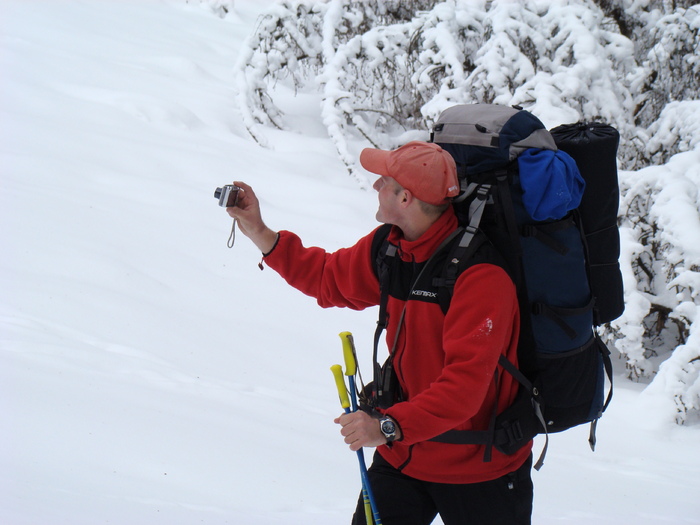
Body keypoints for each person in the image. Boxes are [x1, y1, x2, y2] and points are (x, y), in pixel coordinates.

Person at [226, 141, 533, 525]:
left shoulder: (480, 277)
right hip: (404, 456)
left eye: (383, 181)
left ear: (405, 197)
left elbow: (463, 391)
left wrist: (387, 426)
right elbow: (326, 278)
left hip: (479, 469)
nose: (375, 187)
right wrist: (258, 229)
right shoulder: (391, 249)